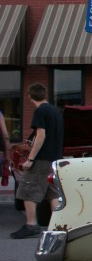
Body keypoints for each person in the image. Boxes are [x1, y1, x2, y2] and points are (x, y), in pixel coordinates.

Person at [10, 82, 63, 239]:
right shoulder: (56, 111)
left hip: (41, 159)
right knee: (52, 194)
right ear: (45, 95)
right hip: (54, 158)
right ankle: (58, 226)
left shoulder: (40, 111)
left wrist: (30, 159)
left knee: (28, 190)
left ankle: (31, 225)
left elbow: (41, 135)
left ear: (29, 96)